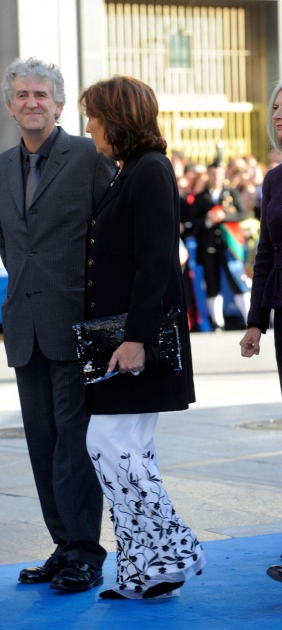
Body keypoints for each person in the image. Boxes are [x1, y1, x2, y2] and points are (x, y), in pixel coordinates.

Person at [0, 57, 116, 592]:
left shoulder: (88, 155)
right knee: (41, 442)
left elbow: (111, 235)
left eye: (42, 94)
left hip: (78, 324)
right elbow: (12, 244)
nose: (32, 102)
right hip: (25, 327)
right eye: (22, 95)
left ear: (59, 104)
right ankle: (64, 546)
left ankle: (86, 550)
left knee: (74, 442)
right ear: (10, 104)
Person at [78, 76, 205, 601]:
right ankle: (146, 572)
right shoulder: (131, 171)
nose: (89, 128)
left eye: (94, 116)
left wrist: (135, 339)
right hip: (121, 337)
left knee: (107, 443)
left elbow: (157, 263)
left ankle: (175, 549)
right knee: (129, 448)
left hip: (134, 340)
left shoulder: (150, 170)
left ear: (117, 118)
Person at [240, 82, 282, 582]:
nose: (278, 115)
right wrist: (256, 321)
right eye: (274, 107)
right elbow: (266, 253)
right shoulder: (273, 180)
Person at [190, 160, 249, 330]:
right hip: (209, 246)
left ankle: (249, 320)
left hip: (229, 246)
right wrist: (207, 221)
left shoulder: (231, 193)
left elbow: (243, 213)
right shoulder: (202, 197)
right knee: (212, 282)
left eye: (219, 174)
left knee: (237, 281)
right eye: (213, 174)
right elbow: (193, 219)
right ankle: (218, 323)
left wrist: (224, 216)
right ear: (209, 176)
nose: (216, 178)